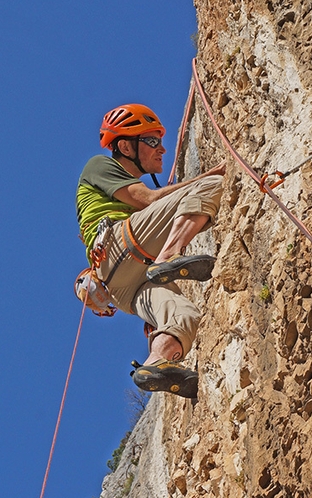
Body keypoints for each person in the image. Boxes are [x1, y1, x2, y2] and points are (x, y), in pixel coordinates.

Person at [76, 104, 225, 399]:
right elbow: (147, 199)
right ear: (125, 146)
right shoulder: (98, 165)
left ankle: (156, 363)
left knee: (184, 315)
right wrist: (210, 173)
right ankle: (168, 256)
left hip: (123, 286)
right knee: (212, 185)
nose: (162, 150)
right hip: (121, 245)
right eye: (152, 141)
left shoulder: (114, 178)